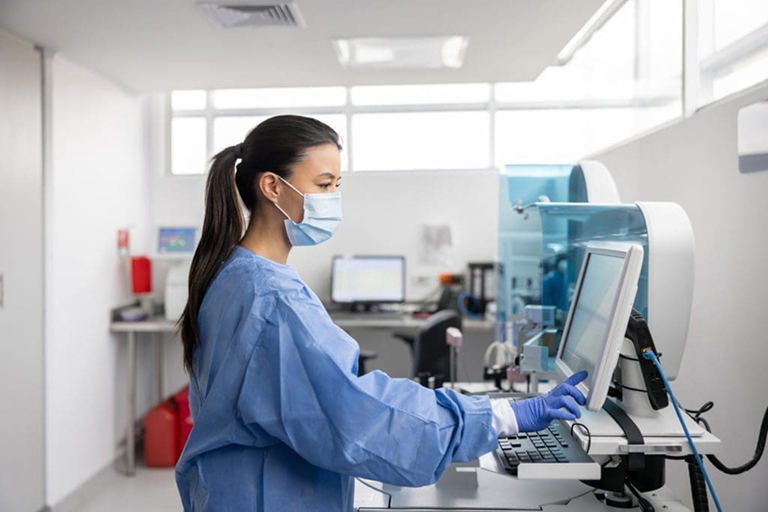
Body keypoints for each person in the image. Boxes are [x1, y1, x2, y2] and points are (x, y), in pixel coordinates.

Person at [175, 115, 588, 512]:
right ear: (272, 187)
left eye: (337, 184)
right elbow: (354, 415)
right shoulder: (272, 297)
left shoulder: (233, 273)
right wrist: (499, 415)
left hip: (233, 489)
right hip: (268, 493)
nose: (333, 198)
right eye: (322, 184)